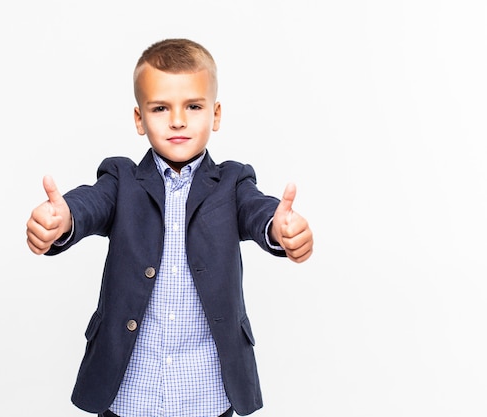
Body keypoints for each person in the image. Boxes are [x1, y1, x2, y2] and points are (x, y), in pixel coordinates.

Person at [26, 38, 314, 417]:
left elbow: (257, 210)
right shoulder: (121, 178)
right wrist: (63, 220)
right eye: (160, 108)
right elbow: (91, 203)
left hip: (207, 391)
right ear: (139, 119)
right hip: (130, 390)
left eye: (193, 106)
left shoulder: (232, 182)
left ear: (215, 114)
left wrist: (281, 228)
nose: (178, 120)